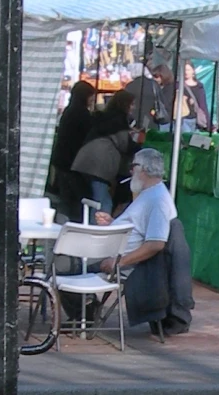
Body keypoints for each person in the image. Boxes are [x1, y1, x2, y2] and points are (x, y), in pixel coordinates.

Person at [92, 146, 193, 335]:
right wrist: (114, 224)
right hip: (113, 251)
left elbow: (156, 243)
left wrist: (118, 263)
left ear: (144, 169)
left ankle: (86, 313)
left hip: (119, 260)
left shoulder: (158, 200)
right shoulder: (148, 194)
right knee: (66, 261)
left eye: (134, 166)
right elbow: (138, 230)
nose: (130, 171)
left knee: (64, 265)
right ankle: (87, 311)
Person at [70, 87, 137, 212]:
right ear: (124, 104)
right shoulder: (118, 120)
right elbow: (125, 145)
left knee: (95, 201)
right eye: (131, 104)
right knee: (102, 205)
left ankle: (90, 226)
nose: (133, 107)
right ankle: (94, 230)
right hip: (98, 166)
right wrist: (140, 145)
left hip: (86, 161)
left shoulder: (105, 116)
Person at [48, 79, 97, 221]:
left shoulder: (69, 111)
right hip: (74, 163)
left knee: (66, 198)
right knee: (77, 200)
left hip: (63, 161)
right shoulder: (82, 114)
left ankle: (64, 224)